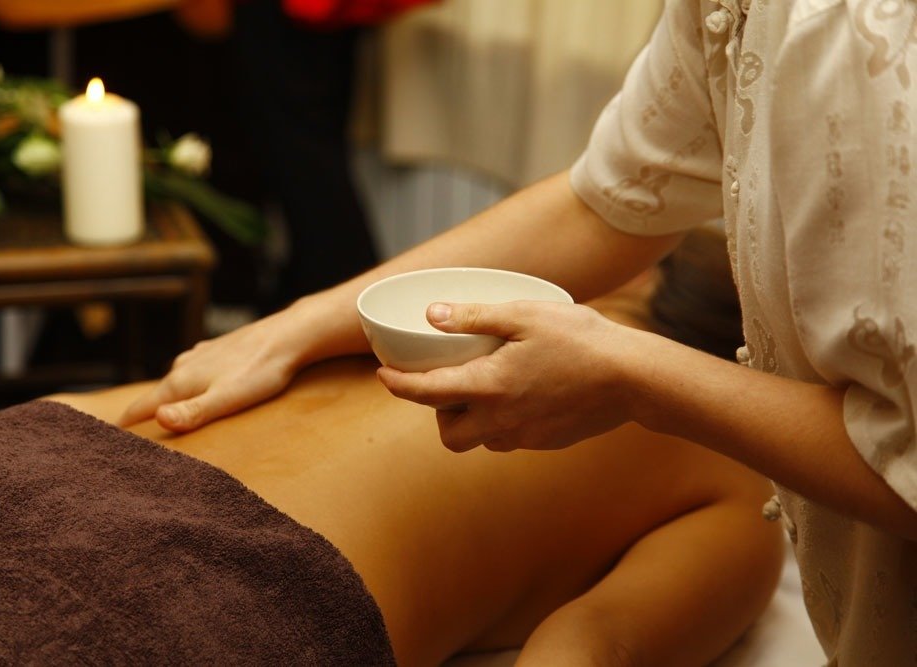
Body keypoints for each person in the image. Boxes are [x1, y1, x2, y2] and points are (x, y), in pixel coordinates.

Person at [122, 2, 917, 664]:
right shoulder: (724, 486)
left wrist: (631, 376)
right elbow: (606, 201)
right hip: (195, 586)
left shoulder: (718, 460)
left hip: (97, 480)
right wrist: (296, 325)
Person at [50, 233, 783, 664]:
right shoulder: (738, 485)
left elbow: (89, 415)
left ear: (638, 269)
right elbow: (586, 649)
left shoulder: (374, 338)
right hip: (201, 604)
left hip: (34, 473)